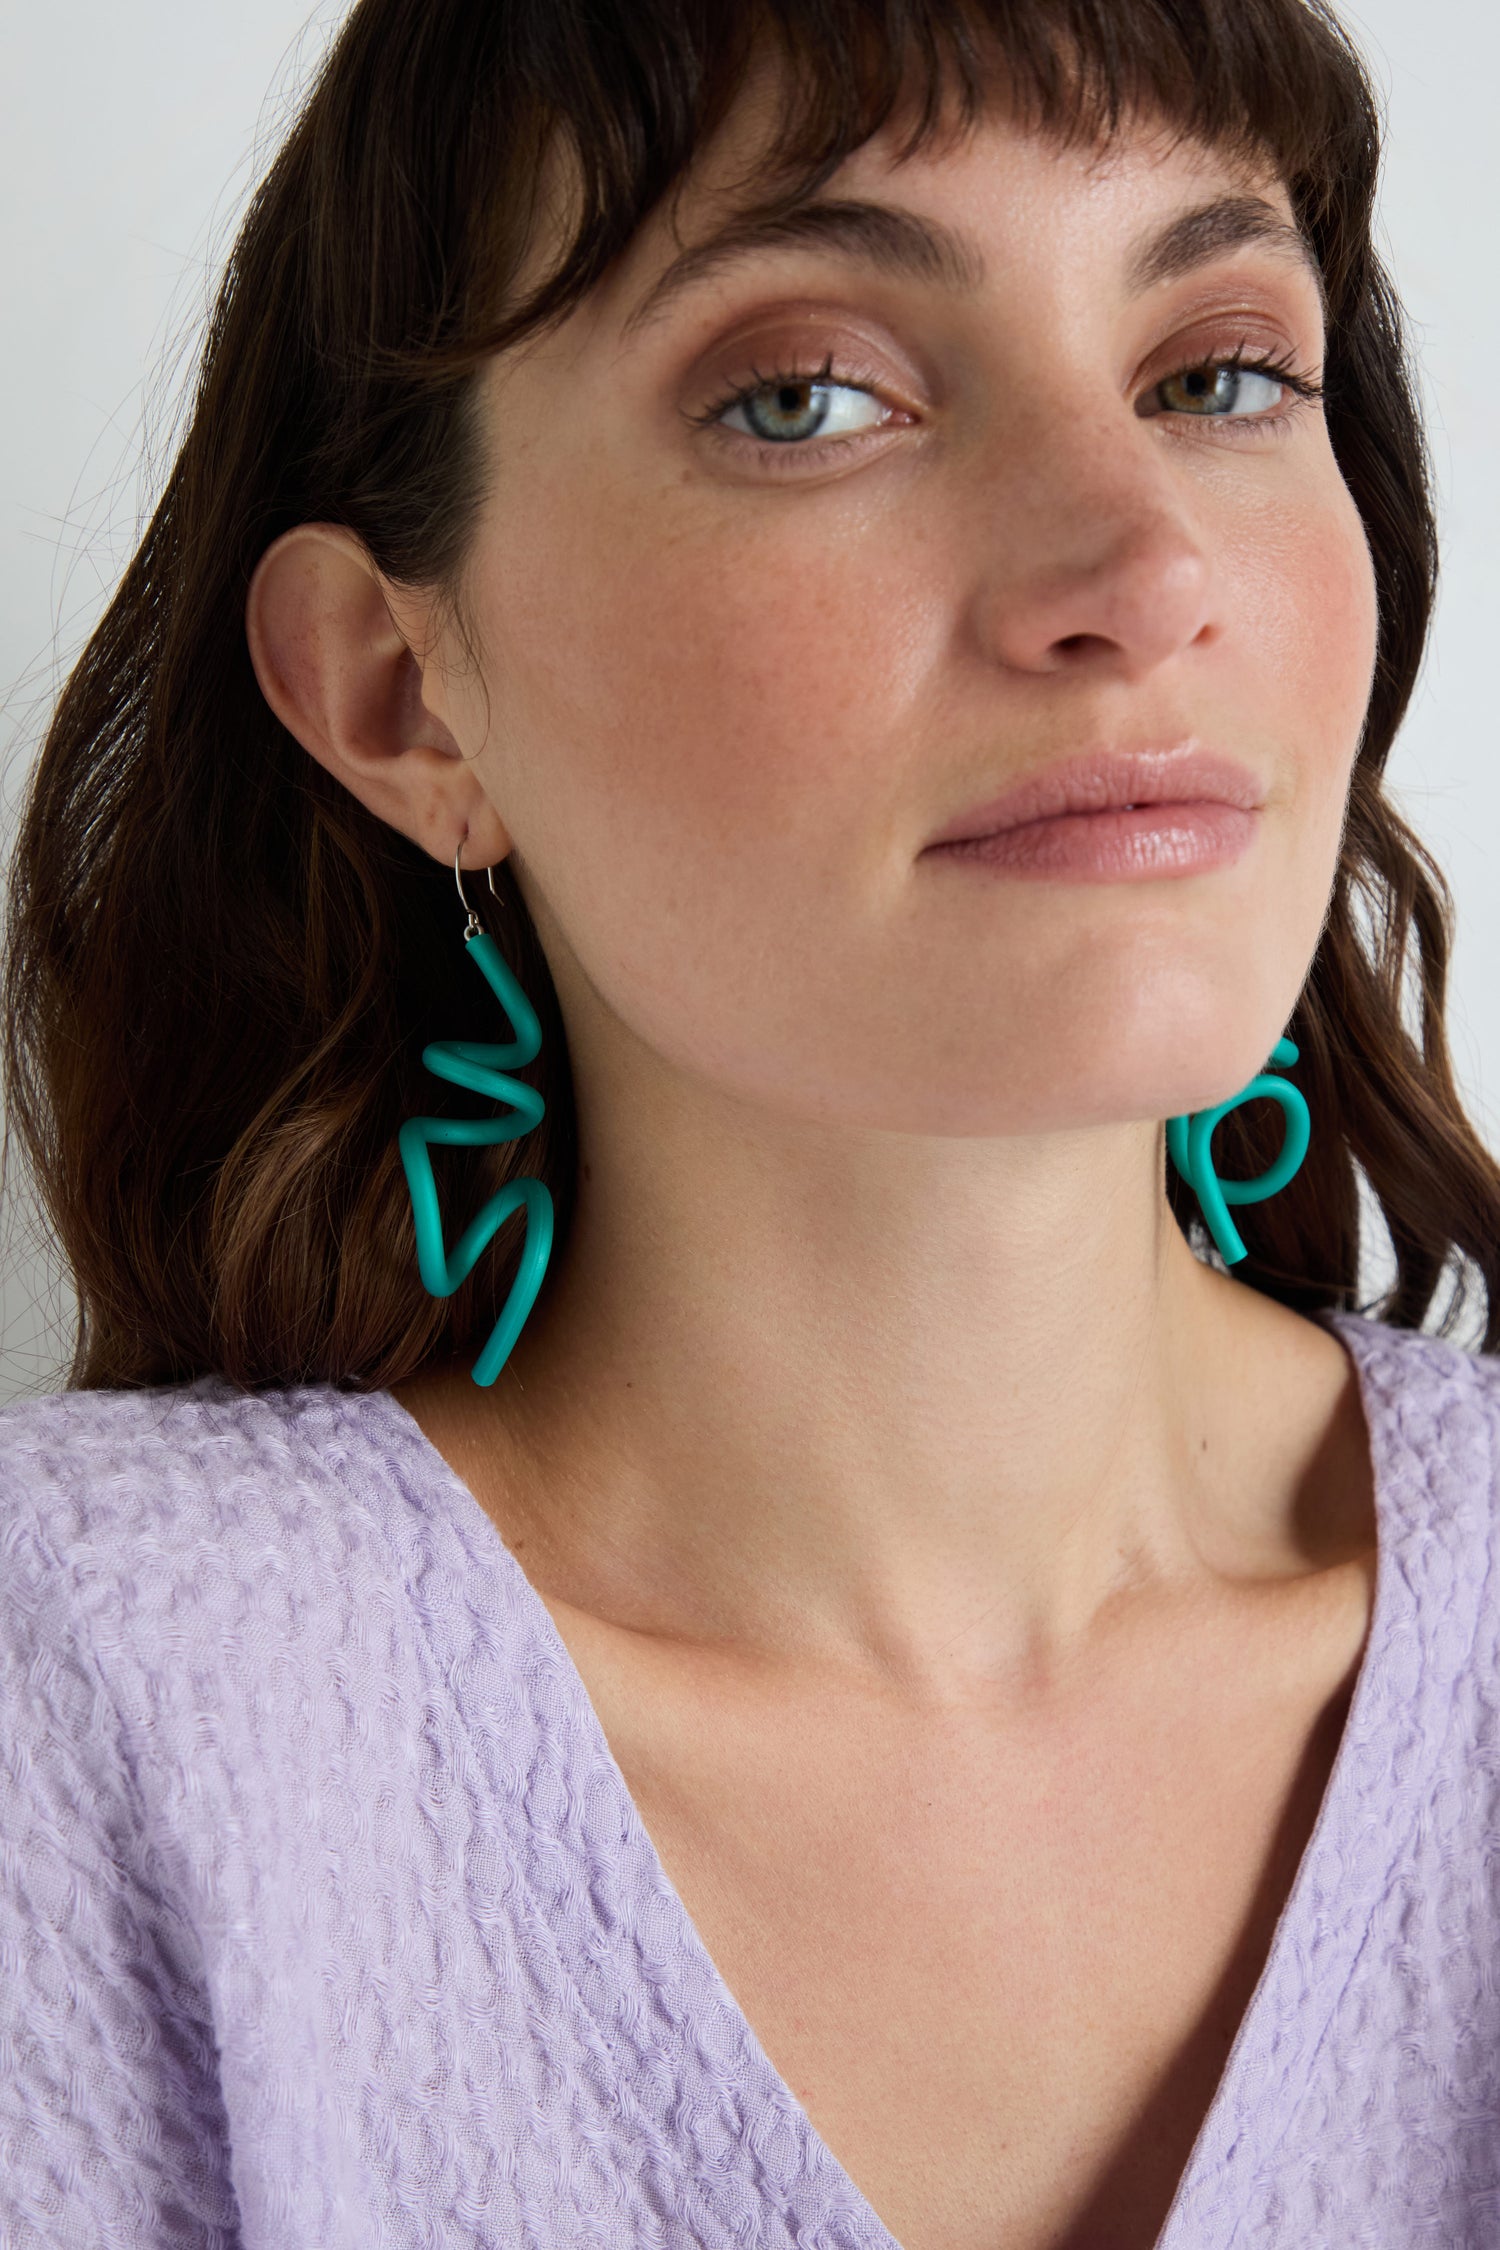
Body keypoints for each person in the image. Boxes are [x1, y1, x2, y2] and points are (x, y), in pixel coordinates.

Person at [3, 0, 1499, 2244]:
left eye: (1217, 376)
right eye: (811, 395)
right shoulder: (96, 1697)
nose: (1141, 567)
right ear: (407, 697)